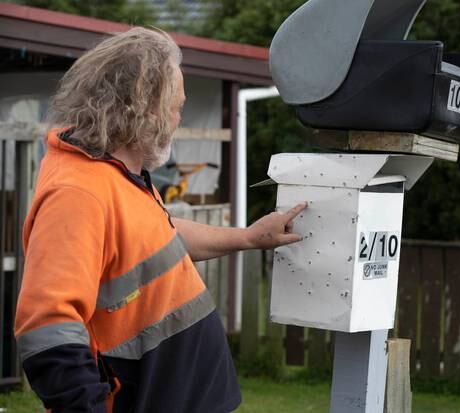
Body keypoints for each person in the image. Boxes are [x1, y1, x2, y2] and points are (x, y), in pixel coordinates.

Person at [14, 27, 305, 413]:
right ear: (141, 106)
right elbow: (47, 327)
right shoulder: (77, 192)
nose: (177, 119)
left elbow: (155, 237)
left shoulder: (114, 172)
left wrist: (249, 238)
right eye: (176, 105)